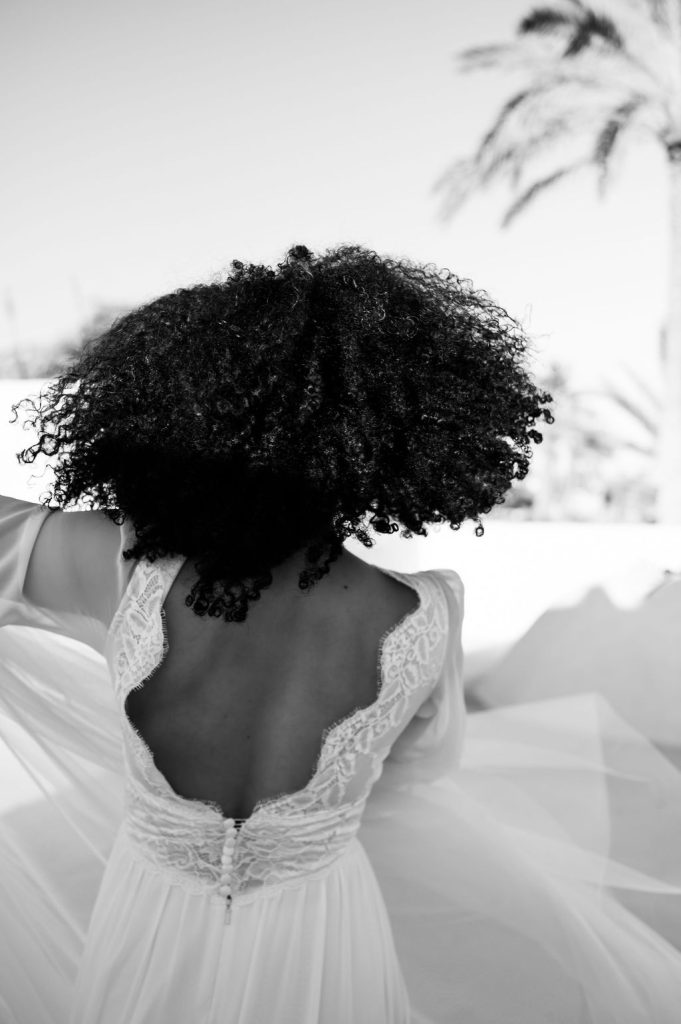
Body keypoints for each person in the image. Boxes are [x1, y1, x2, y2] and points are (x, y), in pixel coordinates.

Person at [0, 243, 680, 1023]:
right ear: (398, 437)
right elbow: (418, 768)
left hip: (152, 919)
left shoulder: (121, 565)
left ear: (187, 410)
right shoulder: (423, 613)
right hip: (321, 927)